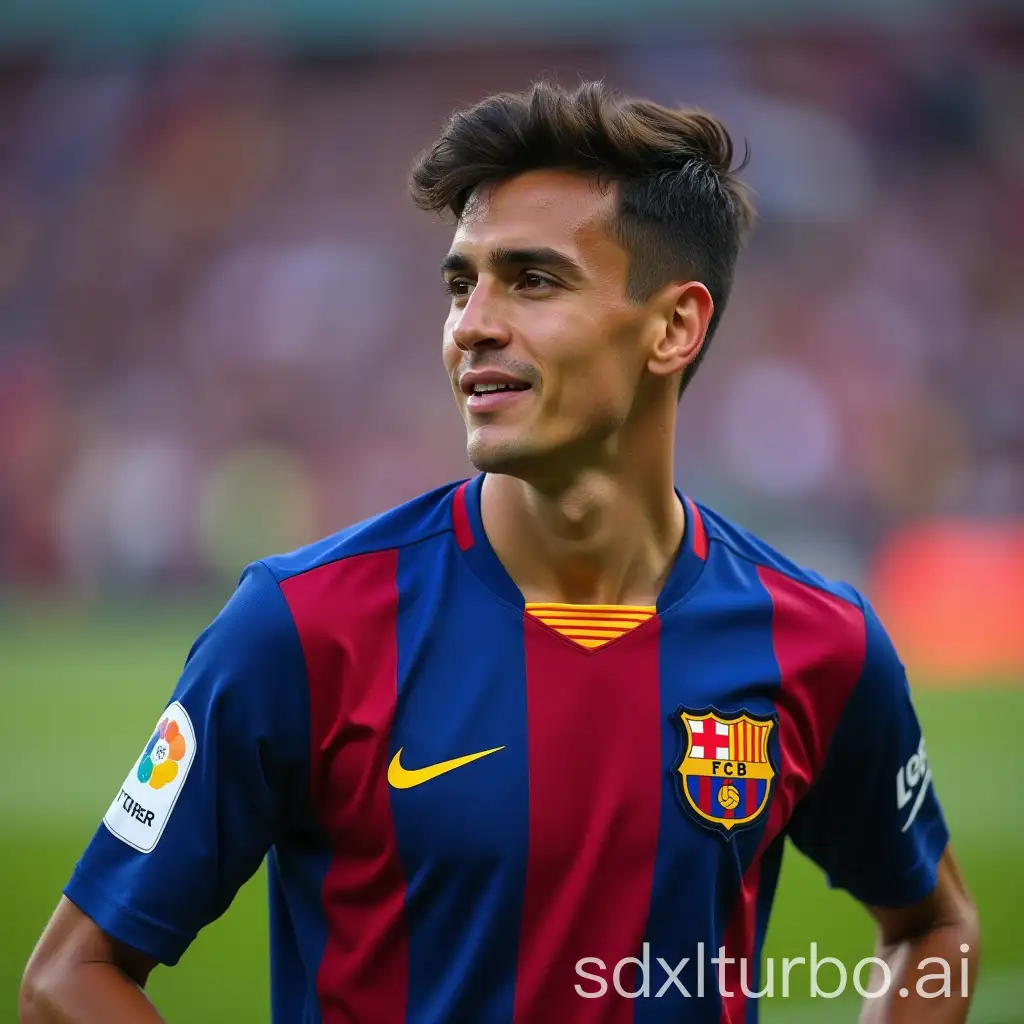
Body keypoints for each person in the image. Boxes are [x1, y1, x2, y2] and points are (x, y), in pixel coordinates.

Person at [21, 80, 978, 1024]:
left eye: (532, 279)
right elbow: (69, 978)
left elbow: (936, 928)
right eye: (460, 282)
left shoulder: (819, 642)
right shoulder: (301, 627)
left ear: (674, 326)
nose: (471, 323)